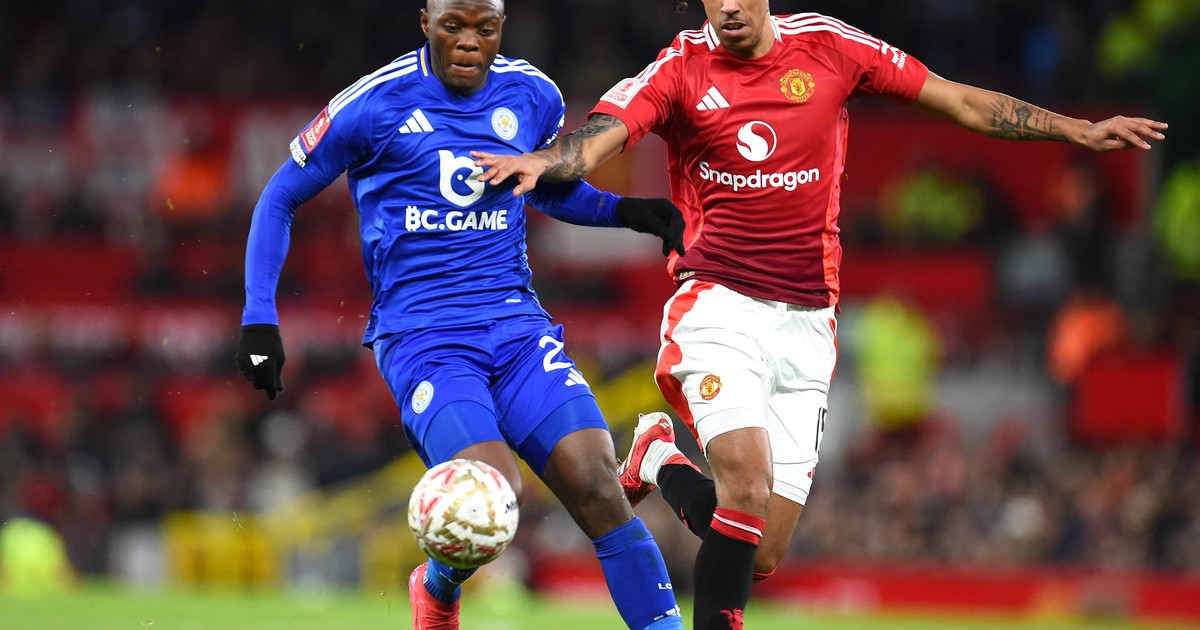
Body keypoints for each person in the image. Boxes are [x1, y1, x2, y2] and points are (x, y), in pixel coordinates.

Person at [472, 1, 1168, 628]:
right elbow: (602, 135)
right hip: (718, 308)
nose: (729, 7)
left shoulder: (830, 47)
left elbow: (957, 100)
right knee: (746, 488)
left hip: (808, 323)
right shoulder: (680, 69)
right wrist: (547, 162)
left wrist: (1077, 131)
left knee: (761, 551)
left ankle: (658, 459)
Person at [233, 1, 686, 629]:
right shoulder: (374, 103)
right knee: (495, 494)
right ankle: (438, 585)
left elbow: (540, 184)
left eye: (485, 29)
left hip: (517, 329)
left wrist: (623, 212)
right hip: (425, 340)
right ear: (426, 21)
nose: (470, 42)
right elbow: (281, 195)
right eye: (454, 27)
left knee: (598, 485)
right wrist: (259, 315)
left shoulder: (533, 94)